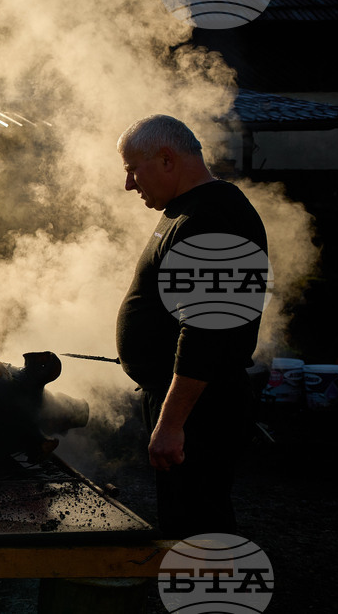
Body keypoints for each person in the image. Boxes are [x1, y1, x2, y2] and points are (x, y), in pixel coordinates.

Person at [115, 114, 268, 538]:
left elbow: (210, 332)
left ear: (166, 159)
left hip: (202, 408)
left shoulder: (215, 215)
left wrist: (171, 423)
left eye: (132, 169)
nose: (129, 184)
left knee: (198, 524)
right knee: (185, 517)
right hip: (189, 403)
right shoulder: (187, 211)